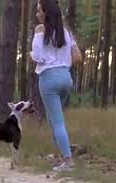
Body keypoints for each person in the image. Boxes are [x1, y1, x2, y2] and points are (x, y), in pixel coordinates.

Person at [30, 0, 83, 172]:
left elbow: (37, 57)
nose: (37, 14)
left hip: (48, 80)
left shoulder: (39, 30)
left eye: (39, 11)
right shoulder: (66, 33)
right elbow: (78, 58)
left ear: (47, 13)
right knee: (54, 120)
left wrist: (36, 56)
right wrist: (62, 62)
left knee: (57, 122)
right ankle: (62, 156)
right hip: (66, 79)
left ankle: (68, 162)